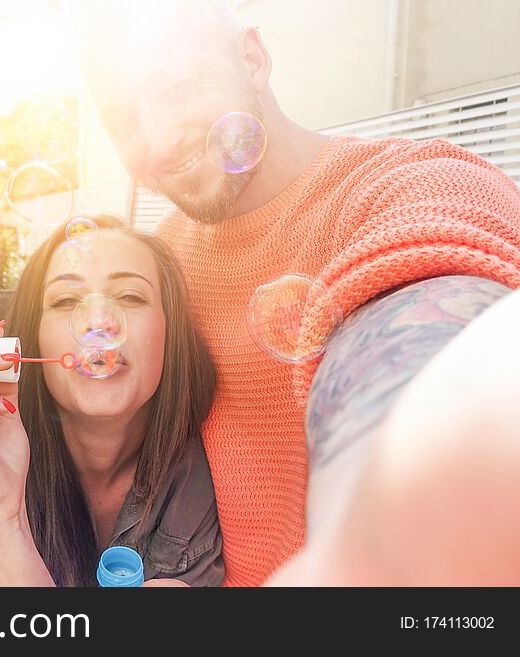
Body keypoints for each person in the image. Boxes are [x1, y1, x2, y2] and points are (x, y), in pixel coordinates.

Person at [78, 2, 520, 585]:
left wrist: (387, 516)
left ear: (253, 59)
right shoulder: (157, 268)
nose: (157, 139)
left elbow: (417, 332)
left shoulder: (417, 185)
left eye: (178, 85)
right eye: (123, 120)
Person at [0, 216, 225, 586]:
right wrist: (4, 514)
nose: (98, 322)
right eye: (66, 300)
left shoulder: (204, 471)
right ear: (32, 339)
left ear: (170, 331)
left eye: (130, 296)